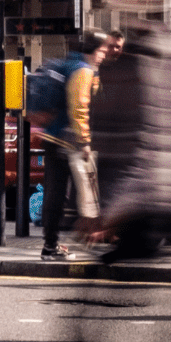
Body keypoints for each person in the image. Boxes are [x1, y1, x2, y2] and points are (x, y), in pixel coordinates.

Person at [40, 31, 109, 261]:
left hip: (52, 137)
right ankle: (75, 241)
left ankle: (51, 245)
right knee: (83, 192)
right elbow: (79, 107)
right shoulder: (83, 70)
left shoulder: (69, 63)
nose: (104, 55)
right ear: (94, 50)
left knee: (55, 193)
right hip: (69, 141)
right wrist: (85, 141)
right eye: (102, 50)